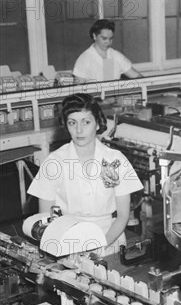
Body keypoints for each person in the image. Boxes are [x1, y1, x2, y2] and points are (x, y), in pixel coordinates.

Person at [28, 93, 143, 255]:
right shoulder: (53, 162)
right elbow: (45, 217)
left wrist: (100, 246)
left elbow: (123, 216)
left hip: (110, 241)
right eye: (72, 123)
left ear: (97, 124)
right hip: (68, 241)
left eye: (86, 122)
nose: (79, 130)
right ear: (66, 126)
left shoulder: (116, 160)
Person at [73, 19, 143, 82]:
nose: (108, 42)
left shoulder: (115, 55)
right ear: (94, 36)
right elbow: (77, 92)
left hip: (111, 95)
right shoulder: (84, 60)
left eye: (111, 38)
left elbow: (138, 77)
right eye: (104, 38)